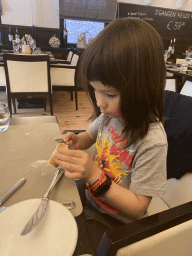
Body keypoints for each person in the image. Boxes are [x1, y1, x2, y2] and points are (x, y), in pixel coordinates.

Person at [54, 18, 167, 224]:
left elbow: (138, 207)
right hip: (90, 201)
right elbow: (90, 136)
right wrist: (78, 141)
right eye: (95, 91)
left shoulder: (153, 141)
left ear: (144, 89)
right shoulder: (110, 116)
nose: (99, 103)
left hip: (116, 223)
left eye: (110, 95)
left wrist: (94, 175)